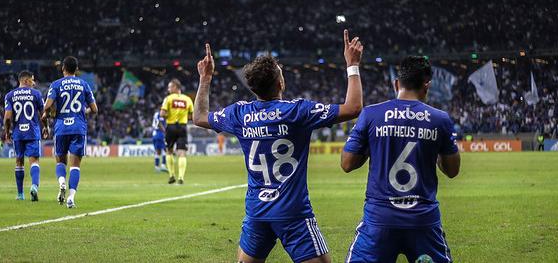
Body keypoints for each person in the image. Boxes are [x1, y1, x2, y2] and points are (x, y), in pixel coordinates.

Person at [193, 29, 364, 263]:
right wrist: (352, 65)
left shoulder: (239, 114)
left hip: (257, 212)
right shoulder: (297, 112)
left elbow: (199, 116)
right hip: (292, 213)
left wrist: (205, 79)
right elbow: (353, 107)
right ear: (280, 82)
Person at [341, 56, 460, 263]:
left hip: (380, 221)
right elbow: (452, 170)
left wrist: (374, 144)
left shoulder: (371, 115)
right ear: (427, 86)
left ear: (396, 83)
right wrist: (435, 150)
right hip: (423, 221)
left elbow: (347, 163)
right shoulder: (440, 119)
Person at [43, 56, 98, 208]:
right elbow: (95, 109)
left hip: (61, 127)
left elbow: (47, 107)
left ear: (63, 69)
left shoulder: (56, 84)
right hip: (78, 128)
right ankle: (71, 198)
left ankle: (61, 182)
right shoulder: (84, 84)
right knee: (75, 166)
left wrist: (48, 119)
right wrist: (82, 111)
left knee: (60, 161)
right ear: (77, 69)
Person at [4, 70, 47, 201]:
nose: (34, 82)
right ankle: (34, 186)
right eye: (32, 80)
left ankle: (20, 194)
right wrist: (46, 126)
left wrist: (7, 131)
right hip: (32, 132)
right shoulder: (36, 94)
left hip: (18, 133)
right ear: (26, 80)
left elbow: (7, 117)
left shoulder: (10, 95)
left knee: (19, 162)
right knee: (34, 161)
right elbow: (43, 114)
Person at [160, 79, 194, 185]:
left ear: (175, 87)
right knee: (182, 153)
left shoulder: (168, 99)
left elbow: (162, 113)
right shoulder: (188, 99)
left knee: (169, 151)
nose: (168, 89)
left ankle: (171, 175)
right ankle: (181, 177)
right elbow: (191, 115)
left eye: (170, 87)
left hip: (171, 126)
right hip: (182, 127)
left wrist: (169, 115)